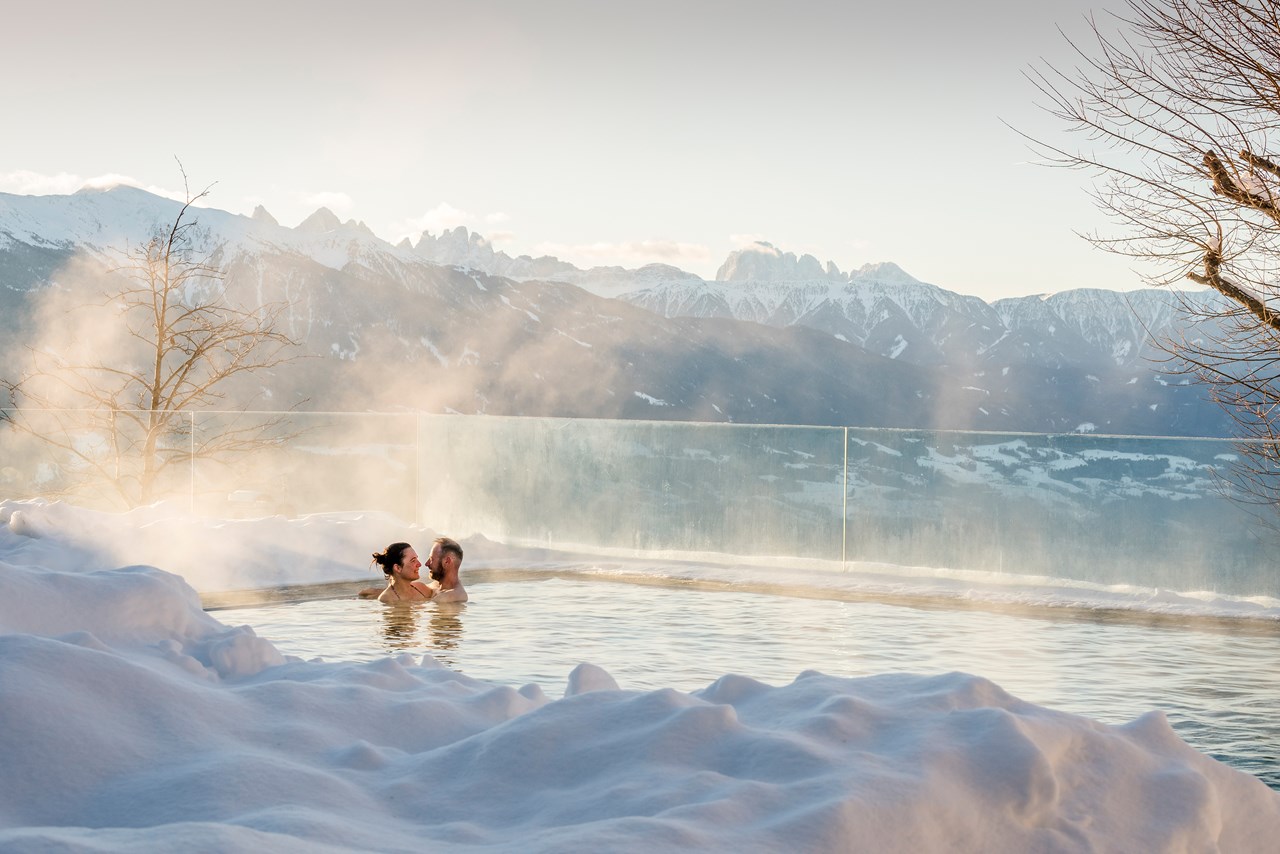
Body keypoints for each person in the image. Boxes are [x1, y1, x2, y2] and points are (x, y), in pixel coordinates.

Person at [370, 542, 435, 604]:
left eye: (417, 559)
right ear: (398, 568)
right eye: (413, 561)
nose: (419, 564)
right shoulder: (387, 599)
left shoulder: (421, 588)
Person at [424, 536, 467, 603]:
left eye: (431, 559)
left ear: (447, 561)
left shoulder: (453, 596)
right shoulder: (434, 586)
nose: (427, 564)